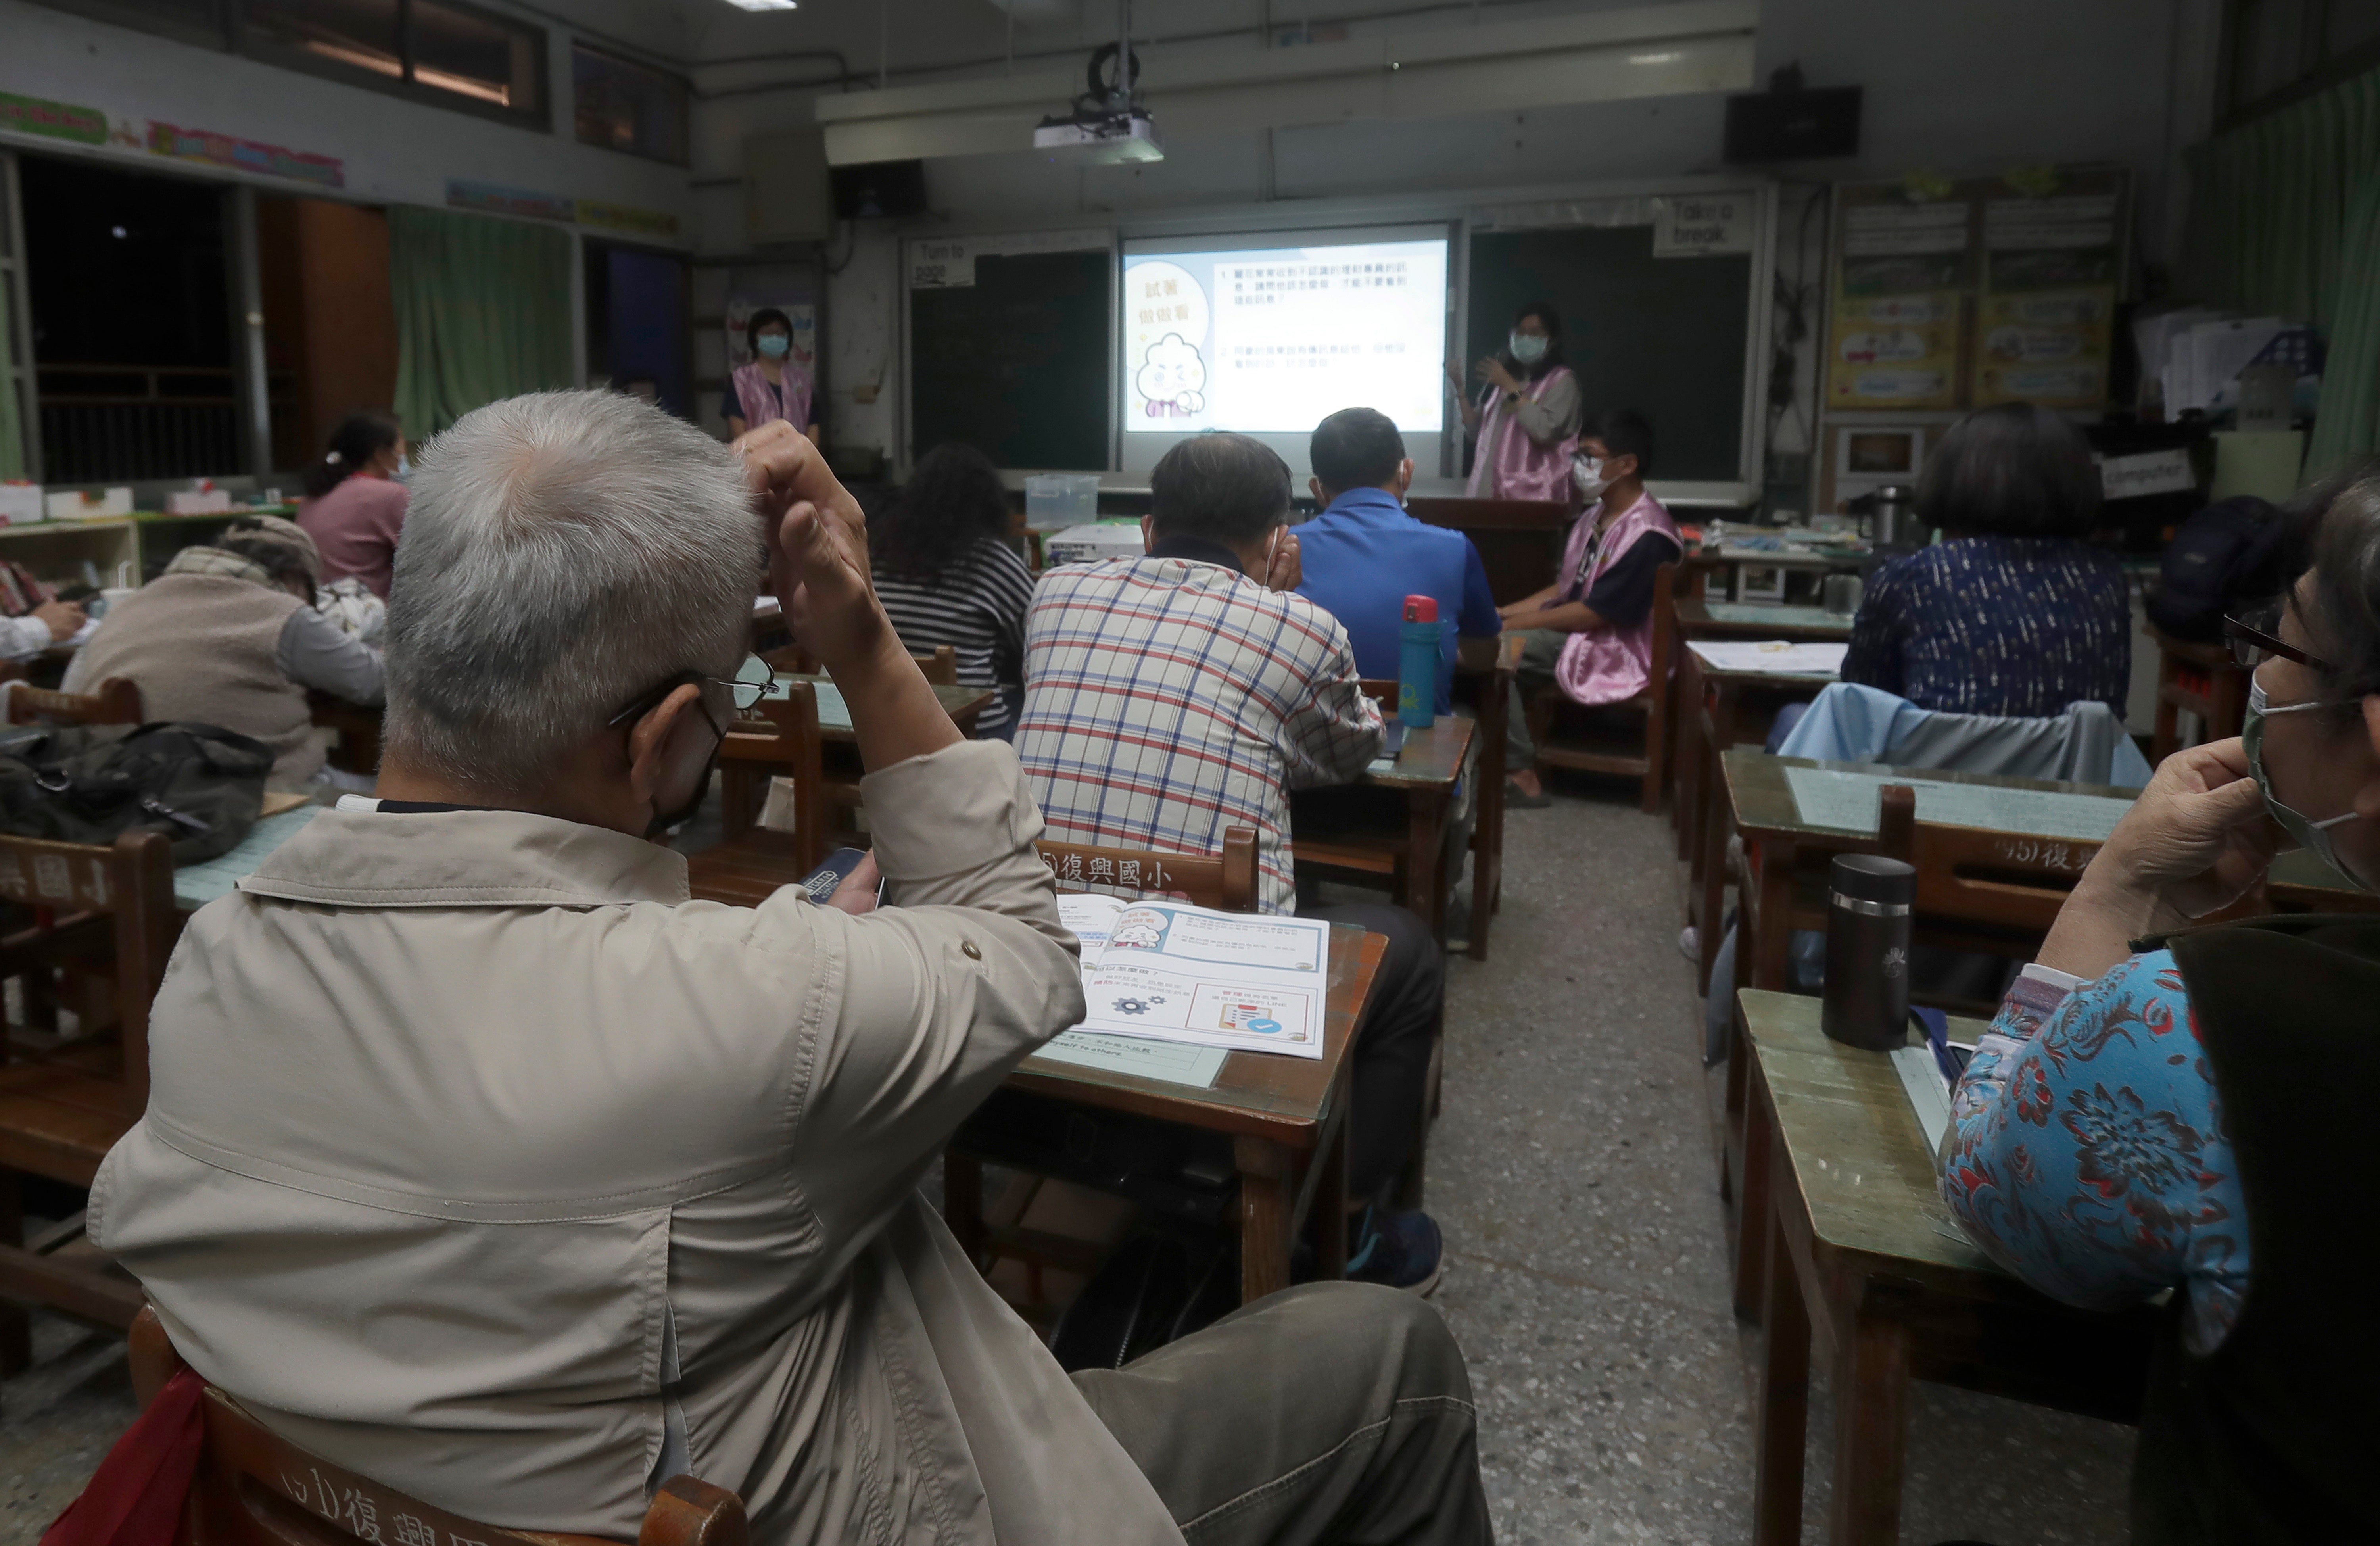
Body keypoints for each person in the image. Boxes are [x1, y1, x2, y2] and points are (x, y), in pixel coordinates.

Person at [90, 396, 1489, 1546]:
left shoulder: (216, 959)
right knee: (1389, 1361)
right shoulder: (760, 1003)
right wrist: (858, 625)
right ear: (664, 746)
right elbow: (1023, 948)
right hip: (852, 1498)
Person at [1939, 465, 2380, 1543]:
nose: (2260, 675)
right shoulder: (2098, 581)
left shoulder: (2209, 1027)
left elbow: (1989, 1176)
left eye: (2279, 645)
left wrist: (2116, 887)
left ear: (2368, 733)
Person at [1015, 432, 1453, 1292]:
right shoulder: (1300, 622)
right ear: (1279, 538)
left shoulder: (1053, 592)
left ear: (1147, 528)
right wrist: (1274, 608)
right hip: (1198, 993)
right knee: (1408, 951)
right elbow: (1352, 750)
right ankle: (1351, 1224)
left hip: (1030, 948)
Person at [1841, 402, 2131, 717]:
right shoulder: (2105, 579)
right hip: (2073, 766)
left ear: (1951, 477)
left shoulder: (1913, 576)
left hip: (1936, 763)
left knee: (1792, 717)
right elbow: (2111, 708)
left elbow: (1860, 700)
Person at [63, 516, 382, 789]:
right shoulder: (281, 613)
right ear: (296, 578)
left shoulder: (128, 606)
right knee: (411, 796)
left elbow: (71, 695)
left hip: (123, 795)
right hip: (258, 796)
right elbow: (376, 682)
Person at [1497, 409, 1681, 806]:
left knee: (1497, 652)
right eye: (1577, 456)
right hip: (1586, 631)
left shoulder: (1648, 533)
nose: (1579, 466)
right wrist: (1505, 612)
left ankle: (1520, 774)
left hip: (1617, 646)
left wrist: (1512, 626)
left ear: (1627, 464)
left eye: (1589, 456)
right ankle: (1502, 758)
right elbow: (1567, 589)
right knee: (1493, 635)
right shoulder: (1597, 516)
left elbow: (1597, 612)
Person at [1296, 407, 1501, 716]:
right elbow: (1485, 656)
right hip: (1416, 743)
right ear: (1406, 472)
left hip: (1309, 746)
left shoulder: (1284, 549)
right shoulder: (1455, 548)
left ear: (1317, 489)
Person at [870, 442, 1035, 739]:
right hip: (970, 734)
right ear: (988, 504)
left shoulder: (879, 555)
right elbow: (1037, 642)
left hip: (887, 727)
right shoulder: (993, 562)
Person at [1449, 300, 1580, 500]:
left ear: (1551, 341)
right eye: (1520, 333)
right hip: (1486, 494)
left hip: (1535, 497)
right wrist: (1459, 387)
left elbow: (1544, 431)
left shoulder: (1561, 382)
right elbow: (1475, 432)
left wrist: (1510, 387)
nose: (1526, 339)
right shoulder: (1503, 378)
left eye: (1535, 334)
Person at [295, 410, 409, 600]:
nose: (405, 455)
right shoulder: (389, 495)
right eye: (402, 447)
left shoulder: (315, 494)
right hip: (367, 618)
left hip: (319, 611)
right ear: (381, 454)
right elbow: (428, 559)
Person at [724, 307, 818, 443]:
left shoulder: (802, 380)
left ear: (788, 338)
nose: (774, 338)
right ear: (755, 338)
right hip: (756, 459)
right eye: (768, 333)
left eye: (780, 334)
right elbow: (739, 432)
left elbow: (813, 425)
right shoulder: (741, 380)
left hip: (798, 459)